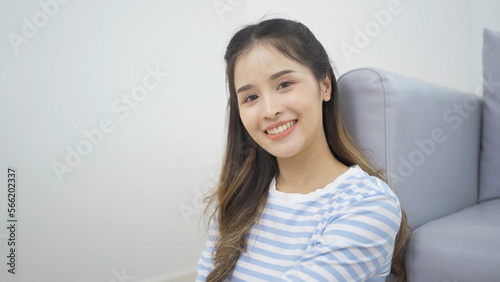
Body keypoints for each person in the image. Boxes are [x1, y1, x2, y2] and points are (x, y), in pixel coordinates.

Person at [197, 18, 411, 282]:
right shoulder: (236, 198)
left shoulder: (368, 204)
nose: (269, 110)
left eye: (284, 84)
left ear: (325, 86)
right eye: (251, 97)